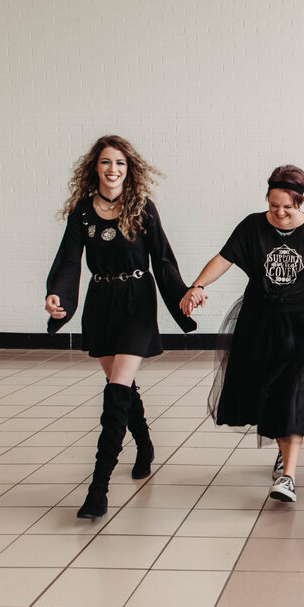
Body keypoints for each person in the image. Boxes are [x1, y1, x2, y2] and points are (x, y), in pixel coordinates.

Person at [180, 165, 304, 503]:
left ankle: (288, 477)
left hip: (303, 325)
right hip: (260, 324)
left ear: (300, 202)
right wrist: (197, 285)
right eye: (274, 205)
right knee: (272, 396)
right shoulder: (252, 226)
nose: (279, 213)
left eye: (287, 207)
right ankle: (285, 455)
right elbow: (224, 259)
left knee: (295, 393)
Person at [45, 135, 196, 520]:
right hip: (101, 303)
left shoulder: (142, 208)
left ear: (130, 170)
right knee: (120, 384)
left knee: (115, 394)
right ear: (94, 168)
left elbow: (163, 261)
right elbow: (68, 262)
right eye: (106, 162)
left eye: (120, 164)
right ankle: (144, 443)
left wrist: (183, 295)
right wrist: (57, 297)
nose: (113, 170)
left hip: (136, 302)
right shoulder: (82, 212)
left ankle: (98, 489)